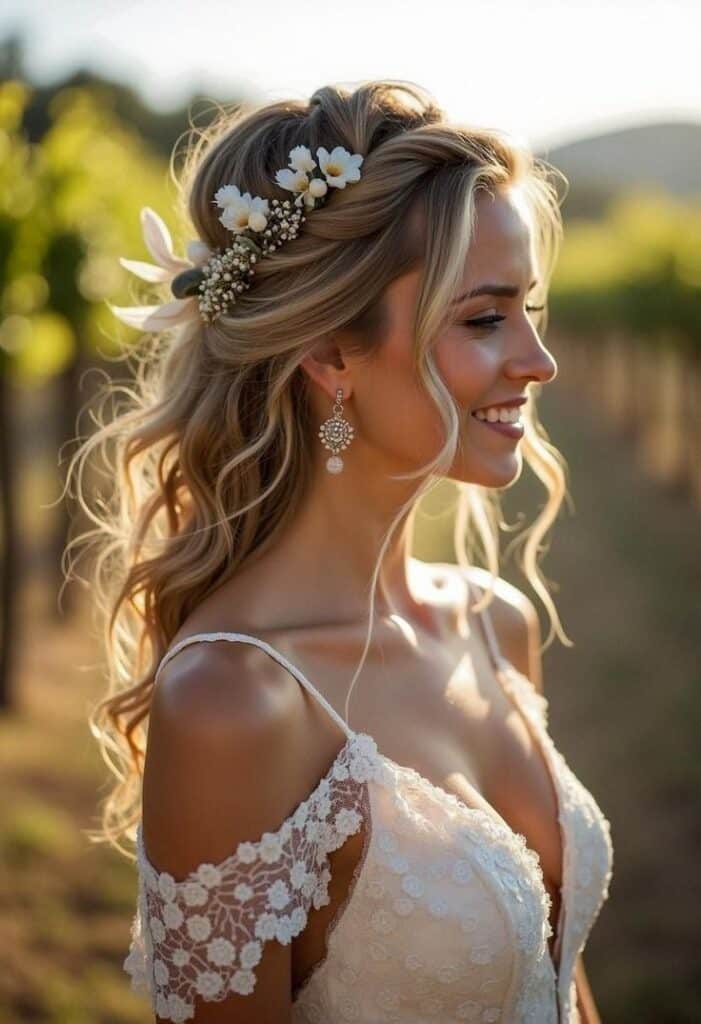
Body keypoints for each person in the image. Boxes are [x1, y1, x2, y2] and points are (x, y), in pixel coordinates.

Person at [70, 79, 613, 1022]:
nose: (537, 359)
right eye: (484, 318)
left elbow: (556, 977)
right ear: (330, 356)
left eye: (531, 308)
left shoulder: (495, 623)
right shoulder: (235, 703)